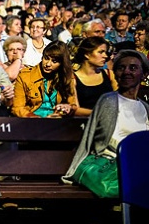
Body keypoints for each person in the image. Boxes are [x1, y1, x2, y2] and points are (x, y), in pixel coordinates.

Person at [62, 50, 149, 188]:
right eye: (121, 68)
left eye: (133, 68)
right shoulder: (108, 100)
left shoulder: (145, 108)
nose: (127, 72)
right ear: (115, 73)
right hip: (112, 165)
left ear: (144, 74)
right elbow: (102, 142)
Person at [11, 41, 78, 118]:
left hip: (58, 121)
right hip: (32, 120)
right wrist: (36, 118)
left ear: (62, 63)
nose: (48, 64)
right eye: (46, 58)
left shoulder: (67, 77)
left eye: (54, 61)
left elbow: (72, 105)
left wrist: (65, 109)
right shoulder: (25, 75)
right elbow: (17, 108)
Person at [72, 36, 118, 116]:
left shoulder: (109, 74)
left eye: (105, 52)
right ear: (87, 54)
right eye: (100, 52)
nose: (105, 56)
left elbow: (120, 100)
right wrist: (99, 114)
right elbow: (75, 109)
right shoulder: (73, 79)